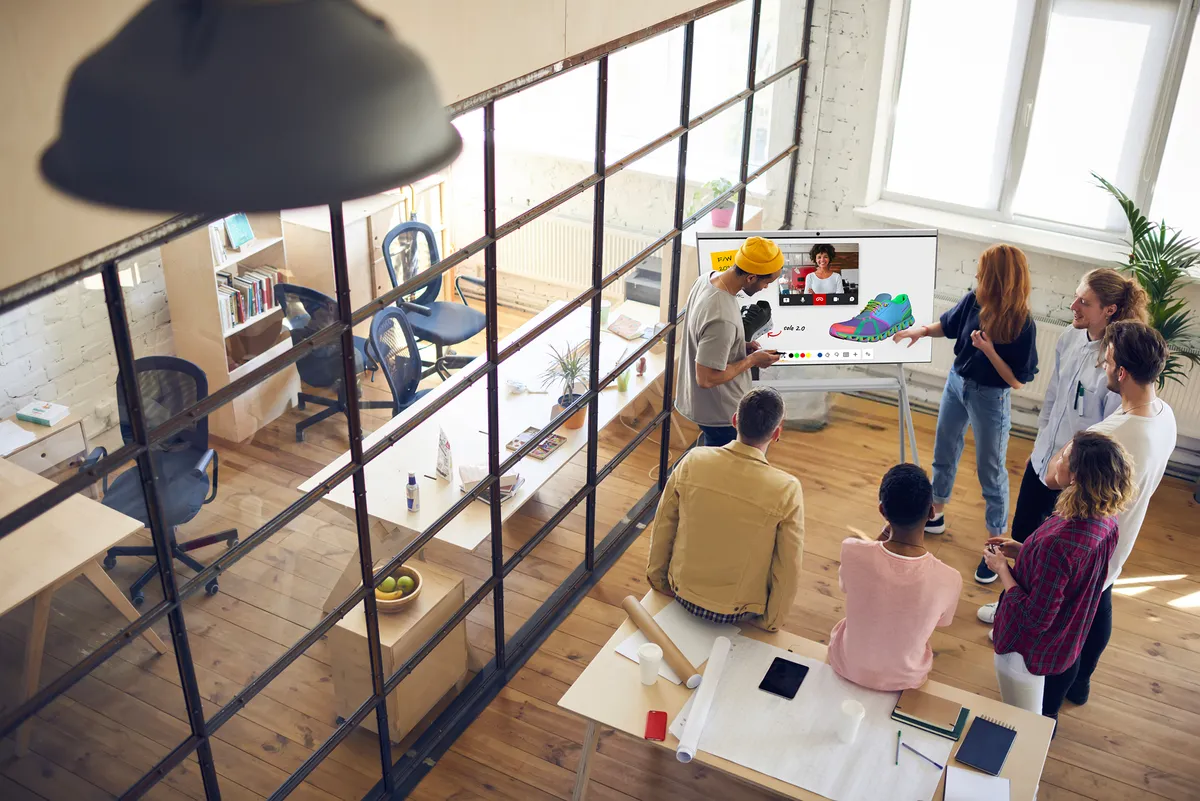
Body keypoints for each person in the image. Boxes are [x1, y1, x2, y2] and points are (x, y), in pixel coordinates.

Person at [978, 268, 1147, 628]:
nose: (1073, 306)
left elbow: (1106, 434)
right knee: (1022, 535)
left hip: (1073, 477)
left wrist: (1067, 470)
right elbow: (1053, 398)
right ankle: (1009, 608)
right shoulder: (1069, 338)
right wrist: (1041, 447)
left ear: (1110, 310)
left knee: (1050, 554)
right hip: (1043, 462)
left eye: (1085, 302)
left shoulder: (1115, 362)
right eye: (1076, 296)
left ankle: (1036, 619)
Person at [1046, 320, 1177, 705]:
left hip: (1084, 545)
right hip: (1118, 540)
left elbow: (1055, 477)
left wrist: (1070, 447)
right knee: (1100, 603)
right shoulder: (1164, 414)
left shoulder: (1110, 434)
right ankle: (1083, 683)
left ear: (1121, 371)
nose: (1102, 367)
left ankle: (1049, 707)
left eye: (1105, 362)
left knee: (1066, 631)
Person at [893, 244, 1038, 584]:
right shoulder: (975, 299)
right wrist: (922, 331)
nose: (976, 276)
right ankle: (937, 511)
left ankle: (997, 548)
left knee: (991, 471)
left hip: (991, 397)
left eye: (982, 272)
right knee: (944, 450)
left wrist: (988, 349)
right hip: (957, 383)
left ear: (999, 279)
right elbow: (949, 324)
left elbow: (1017, 380)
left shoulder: (1021, 323)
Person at [986, 430, 1134, 723]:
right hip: (1067, 644)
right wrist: (1023, 549)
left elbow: (1034, 618)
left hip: (1026, 653)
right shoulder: (1106, 519)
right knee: (1047, 714)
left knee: (1026, 727)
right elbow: (1072, 576)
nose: (1058, 459)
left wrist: (1002, 569)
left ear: (1077, 477)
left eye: (1065, 457)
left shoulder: (1059, 543)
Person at [646, 387, 804, 631]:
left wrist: (658, 582)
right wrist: (771, 622)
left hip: (682, 594)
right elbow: (788, 566)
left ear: (734, 420)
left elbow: (663, 525)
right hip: (739, 612)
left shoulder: (693, 461)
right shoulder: (786, 489)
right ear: (777, 433)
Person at [828, 464, 962, 691]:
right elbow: (942, 621)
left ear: (882, 510)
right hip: (905, 678)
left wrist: (878, 538)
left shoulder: (852, 551)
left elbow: (847, 584)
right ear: (931, 512)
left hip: (847, 665)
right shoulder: (950, 579)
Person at [675, 236, 783, 447]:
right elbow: (706, 378)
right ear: (751, 277)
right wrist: (752, 360)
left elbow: (703, 337)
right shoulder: (722, 317)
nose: (766, 288)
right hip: (721, 414)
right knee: (719, 471)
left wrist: (737, 345)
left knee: (708, 456)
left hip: (704, 406)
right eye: (766, 282)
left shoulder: (707, 280)